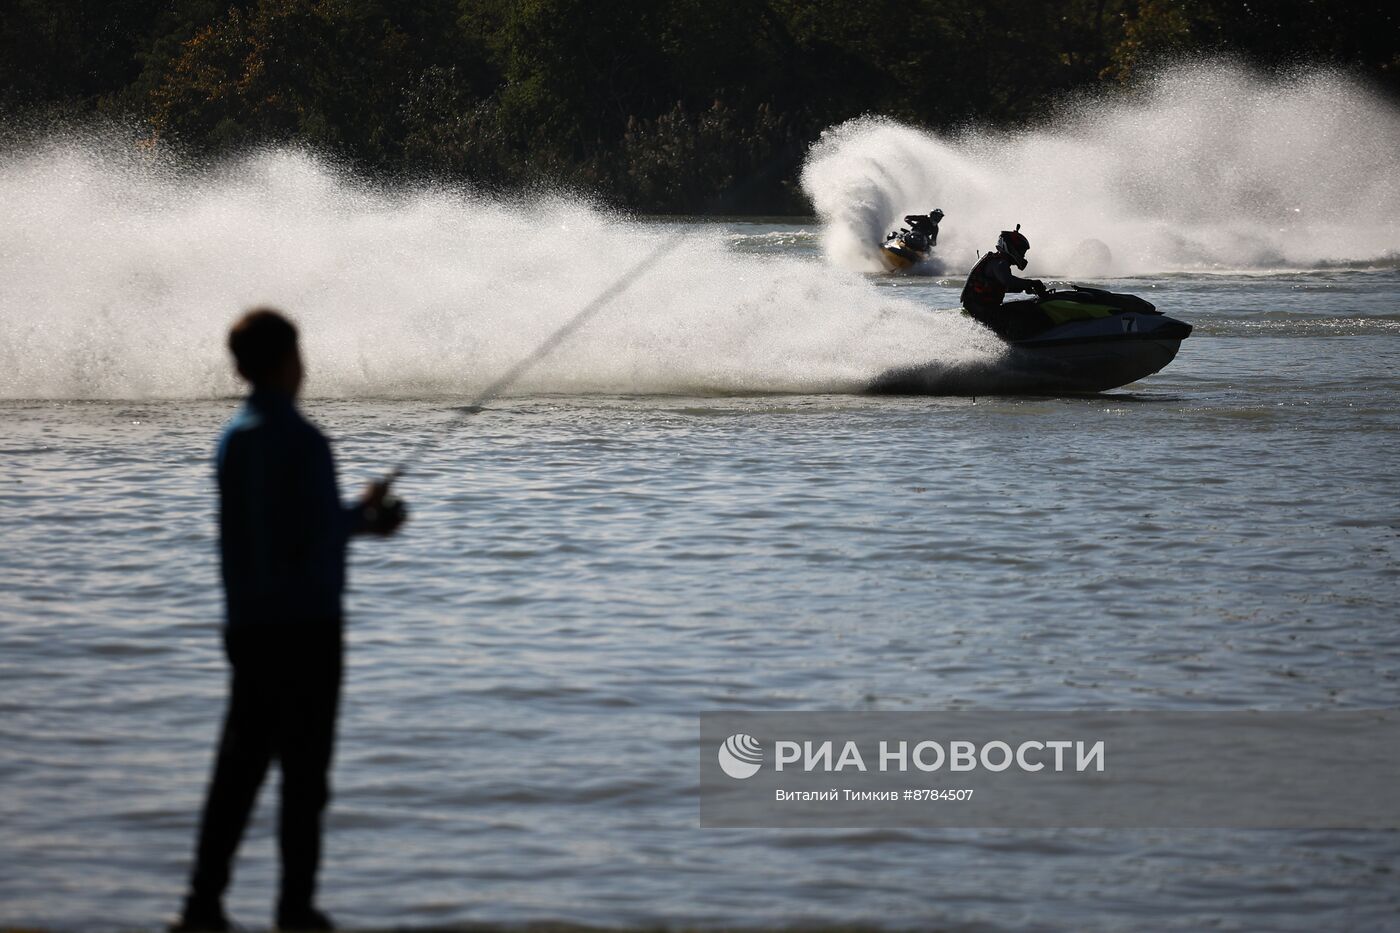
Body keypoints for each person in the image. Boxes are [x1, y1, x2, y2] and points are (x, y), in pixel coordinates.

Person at [172, 308, 405, 932]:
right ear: (286, 363)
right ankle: (294, 909)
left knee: (238, 771)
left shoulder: (233, 438)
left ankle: (202, 903)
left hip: (247, 626)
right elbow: (316, 535)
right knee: (304, 777)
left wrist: (352, 515)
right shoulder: (304, 441)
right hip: (307, 631)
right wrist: (370, 516)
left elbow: (275, 528)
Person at [960, 225, 1049, 339]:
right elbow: (1008, 281)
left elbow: (1000, 286)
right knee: (1028, 309)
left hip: (982, 309)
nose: (1022, 255)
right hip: (983, 311)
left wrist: (1025, 288)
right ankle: (1024, 340)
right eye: (1021, 251)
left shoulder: (997, 261)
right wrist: (1032, 283)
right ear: (1011, 247)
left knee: (1025, 304)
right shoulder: (1000, 263)